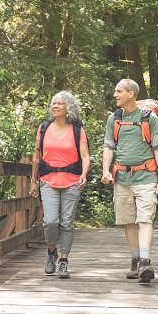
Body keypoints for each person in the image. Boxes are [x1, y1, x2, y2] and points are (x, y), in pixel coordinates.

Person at [101, 79, 158, 283]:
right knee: (128, 221)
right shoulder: (114, 118)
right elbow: (108, 146)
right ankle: (135, 260)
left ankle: (145, 261)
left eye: (119, 91)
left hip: (146, 177)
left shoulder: (150, 117)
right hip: (122, 179)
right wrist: (105, 171)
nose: (115, 95)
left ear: (131, 94)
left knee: (145, 219)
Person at [31, 91, 90, 279]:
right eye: (53, 103)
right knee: (50, 221)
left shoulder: (77, 130)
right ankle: (51, 253)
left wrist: (84, 174)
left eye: (60, 104)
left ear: (69, 108)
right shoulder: (43, 128)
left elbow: (85, 156)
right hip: (47, 181)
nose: (55, 106)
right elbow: (36, 156)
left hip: (72, 182)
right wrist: (33, 181)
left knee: (67, 223)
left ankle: (63, 261)